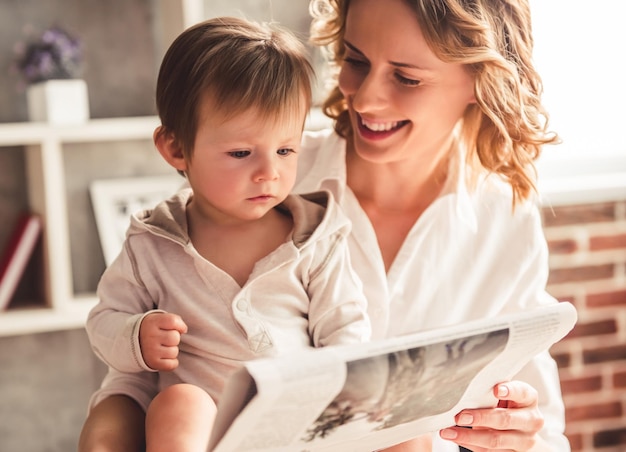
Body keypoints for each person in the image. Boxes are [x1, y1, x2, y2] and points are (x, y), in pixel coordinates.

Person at [79, 0, 570, 450]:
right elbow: (152, 366)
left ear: (480, 81)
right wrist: (118, 415)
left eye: (407, 77)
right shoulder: (260, 169)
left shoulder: (503, 217)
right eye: (356, 61)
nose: (365, 99)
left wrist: (516, 437)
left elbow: (542, 426)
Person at [82, 16, 371, 452]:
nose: (268, 173)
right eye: (241, 153)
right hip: (202, 432)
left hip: (293, 423)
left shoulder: (315, 238)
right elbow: (104, 321)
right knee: (179, 402)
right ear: (177, 149)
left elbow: (347, 332)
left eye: (286, 150)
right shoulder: (153, 241)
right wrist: (136, 336)